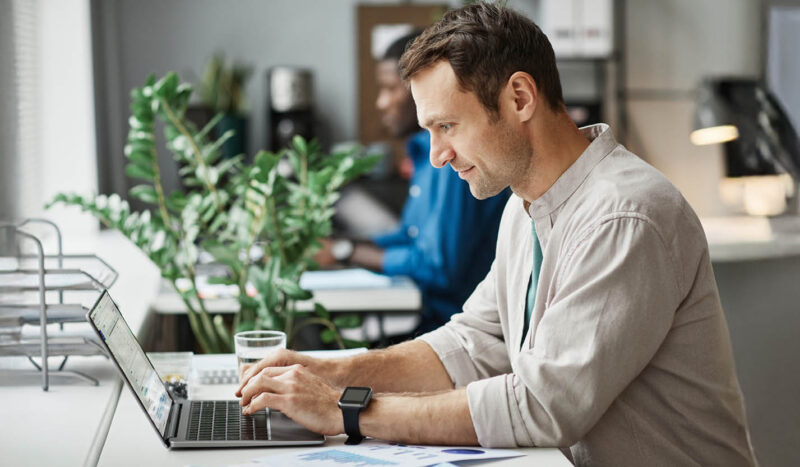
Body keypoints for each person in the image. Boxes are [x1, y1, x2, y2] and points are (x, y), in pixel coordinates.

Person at [237, 4, 757, 465]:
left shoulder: (624, 215)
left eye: (448, 126)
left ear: (520, 97)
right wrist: (329, 372)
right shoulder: (524, 205)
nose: (437, 155)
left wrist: (345, 411)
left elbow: (542, 406)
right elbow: (473, 343)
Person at [318, 32, 510, 335]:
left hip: (456, 329)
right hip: (432, 321)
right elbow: (411, 236)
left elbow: (438, 267)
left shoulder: (453, 161)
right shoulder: (425, 155)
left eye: (390, 89)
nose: (382, 103)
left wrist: (345, 251)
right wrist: (346, 247)